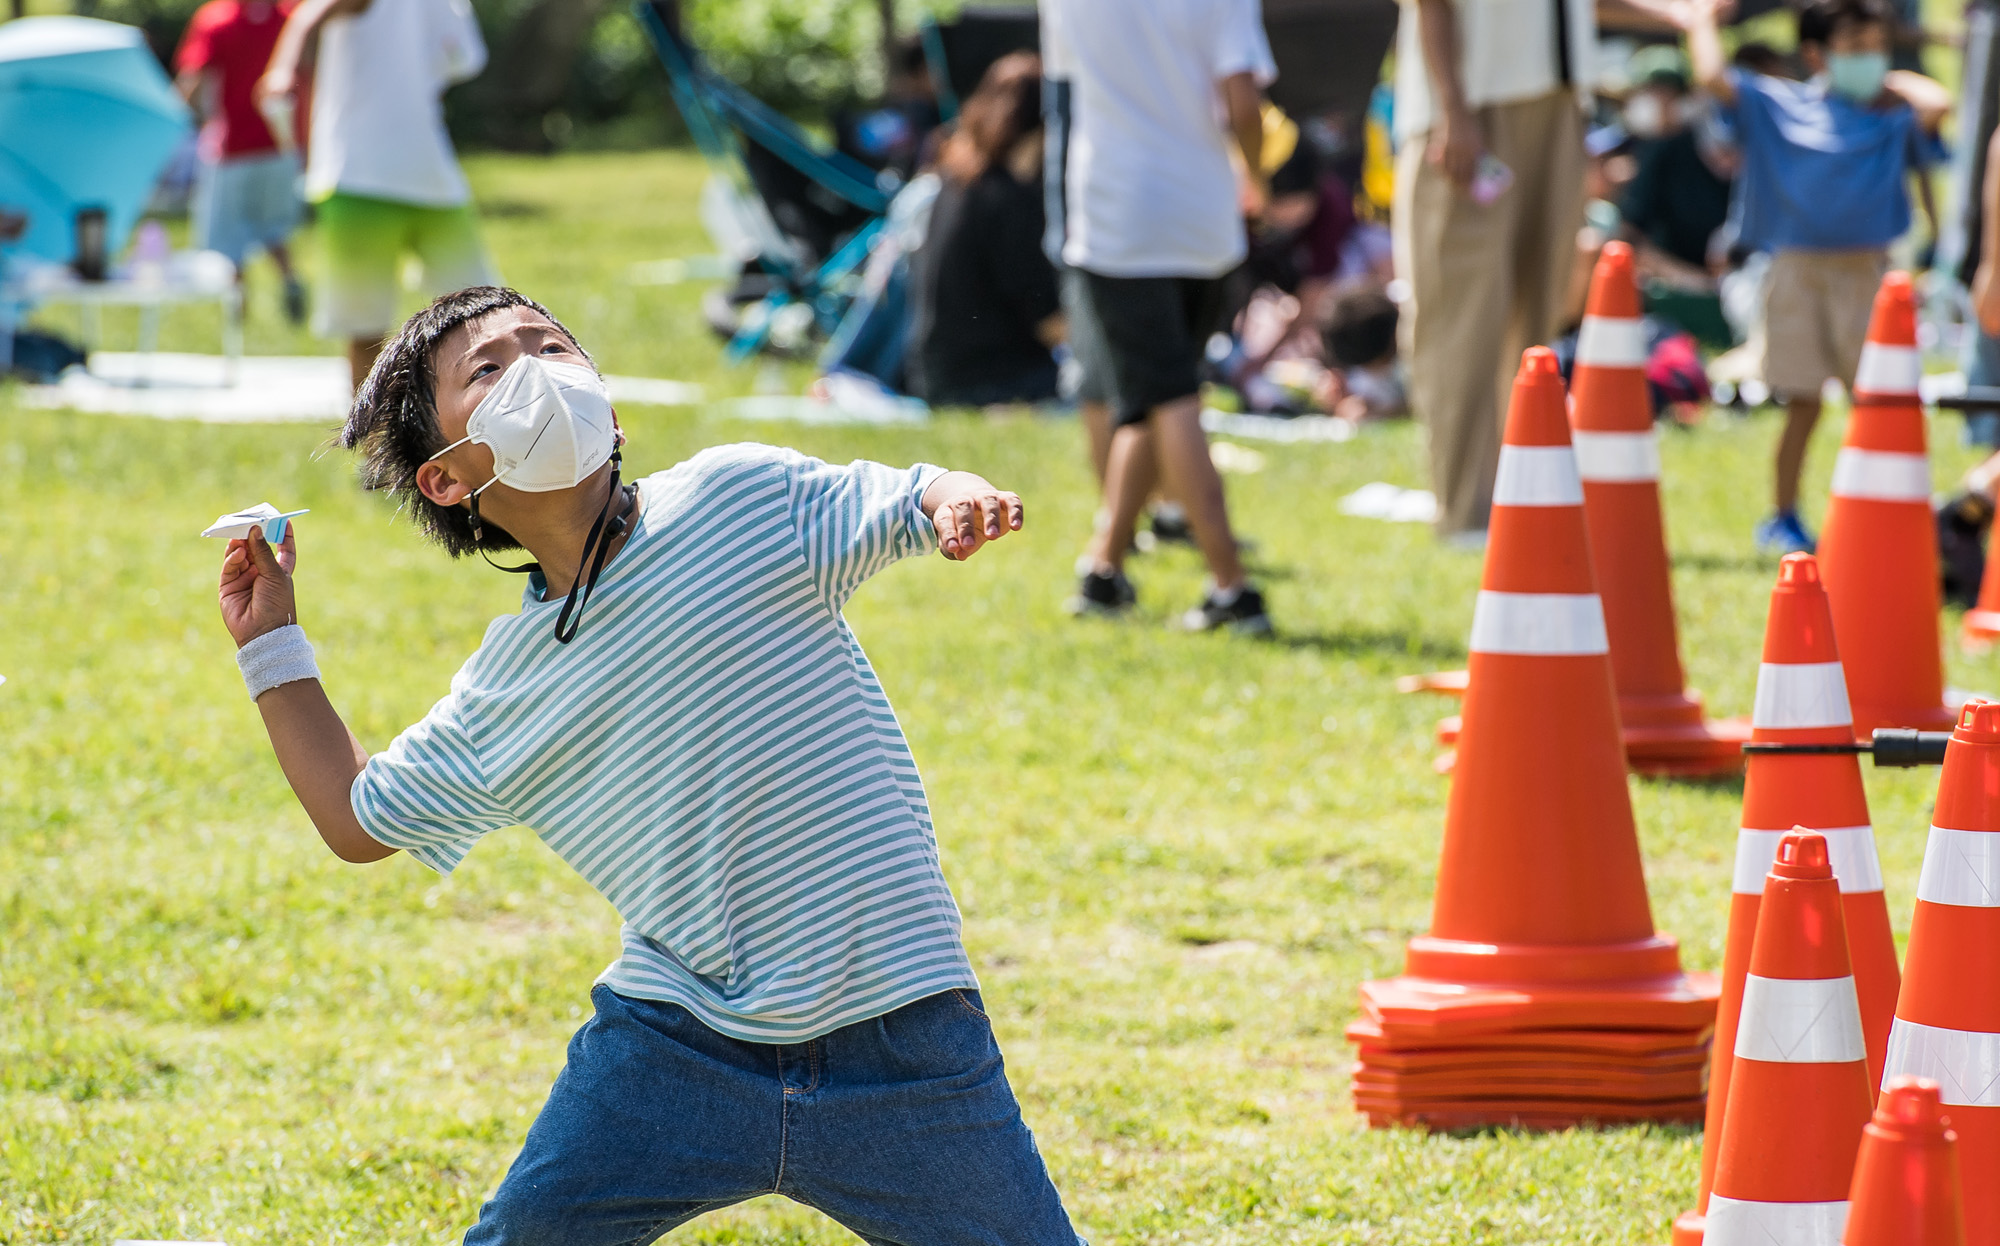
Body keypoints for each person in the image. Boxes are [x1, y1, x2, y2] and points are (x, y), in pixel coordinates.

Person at [213, 286, 1081, 1244]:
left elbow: (906, 493)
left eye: (553, 346)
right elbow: (355, 816)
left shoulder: (737, 497)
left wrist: (954, 497)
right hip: (675, 1053)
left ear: (608, 404)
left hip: (904, 1039)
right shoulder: (508, 689)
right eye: (490, 369)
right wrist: (272, 644)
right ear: (448, 479)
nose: (537, 372)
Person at [1393, 0, 1689, 548]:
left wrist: (1676, 14)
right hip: (1473, 103)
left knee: (1538, 312)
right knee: (1464, 315)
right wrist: (1451, 109)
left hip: (1558, 103)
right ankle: (1463, 509)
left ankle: (1522, 492)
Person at [1684, 0, 1951, 553]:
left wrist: (1885, 75)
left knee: (1879, 402)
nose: (1869, 60)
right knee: (1802, 401)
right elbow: (1713, 77)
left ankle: (1891, 509)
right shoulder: (1776, 106)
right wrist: (1699, 20)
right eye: (1854, 48)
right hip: (1796, 273)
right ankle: (1782, 515)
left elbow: (1938, 101)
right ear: (1815, 54)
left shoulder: (1887, 116)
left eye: (1877, 48)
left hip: (1870, 275)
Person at [1045, 0, 1276, 634]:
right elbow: (1242, 103)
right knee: (1157, 397)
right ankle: (1105, 570)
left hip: (1117, 215)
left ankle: (1234, 589)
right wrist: (1255, 178)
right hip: (1202, 217)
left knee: (1166, 396)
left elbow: (1063, 83)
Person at [258, 0, 497, 392]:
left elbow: (460, 59)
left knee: (484, 314)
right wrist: (282, 70)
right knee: (365, 328)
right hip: (358, 175)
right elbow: (307, 16)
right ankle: (372, 446)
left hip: (430, 174)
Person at [906, 52, 1064, 408]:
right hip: (992, 383)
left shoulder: (954, 182)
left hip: (937, 378)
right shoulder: (1008, 201)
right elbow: (1049, 322)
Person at [173, 0, 309, 323]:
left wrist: (178, 120)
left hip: (230, 149)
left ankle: (238, 313)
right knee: (274, 227)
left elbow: (191, 82)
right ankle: (290, 279)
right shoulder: (290, 16)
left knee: (229, 239)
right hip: (280, 145)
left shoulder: (215, 20)